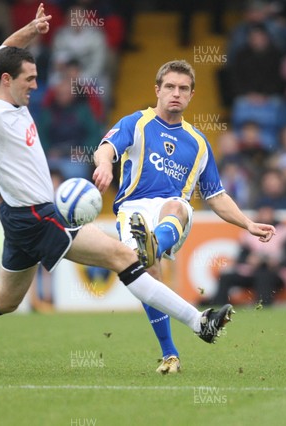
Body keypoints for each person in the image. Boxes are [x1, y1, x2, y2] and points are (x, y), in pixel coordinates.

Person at [0, 4, 275, 375]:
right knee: (121, 255)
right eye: (30, 79)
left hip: (23, 215)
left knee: (4, 300)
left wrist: (30, 29)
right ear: (9, 81)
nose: (35, 86)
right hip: (35, 214)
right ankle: (198, 322)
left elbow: (5, 49)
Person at [92, 59, 276, 374]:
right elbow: (106, 147)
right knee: (150, 279)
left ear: (191, 95)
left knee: (177, 205)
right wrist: (105, 165)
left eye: (183, 88)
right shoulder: (136, 123)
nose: (176, 93)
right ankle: (171, 354)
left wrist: (247, 223)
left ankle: (151, 245)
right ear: (157, 90)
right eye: (170, 87)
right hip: (133, 209)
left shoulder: (199, 143)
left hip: (171, 213)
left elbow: (216, 195)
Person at [212, 203, 286, 306]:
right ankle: (220, 305)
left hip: (276, 272)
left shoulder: (285, 231)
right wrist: (250, 259)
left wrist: (277, 262)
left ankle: (264, 305)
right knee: (226, 277)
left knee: (264, 275)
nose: (265, 216)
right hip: (251, 270)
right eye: (262, 212)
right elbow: (241, 257)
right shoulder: (248, 232)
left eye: (268, 212)